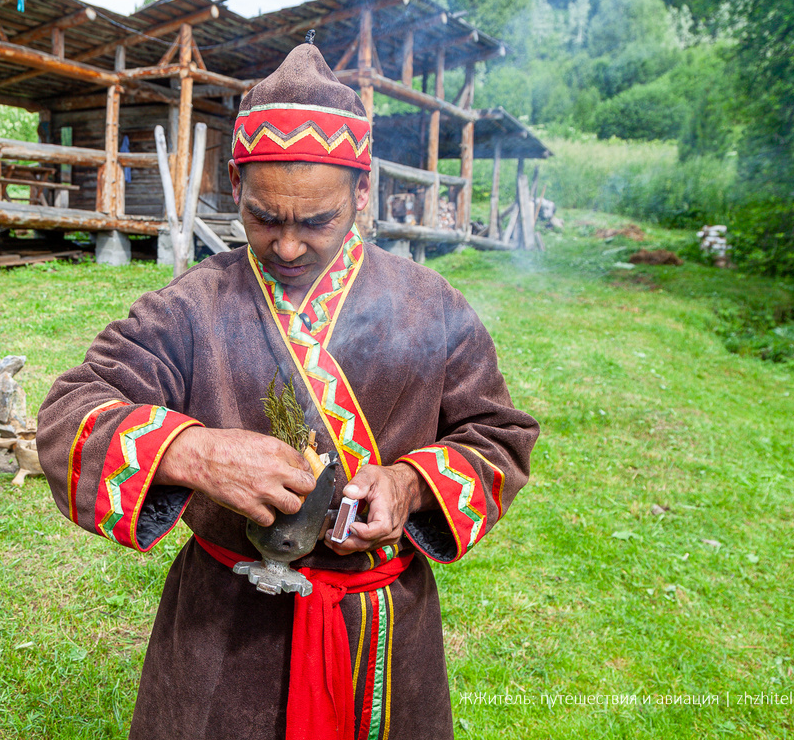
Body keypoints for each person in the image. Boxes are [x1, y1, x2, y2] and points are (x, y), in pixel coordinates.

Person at [37, 38, 539, 740]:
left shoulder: (433, 306)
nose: (290, 246)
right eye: (266, 218)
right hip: (222, 641)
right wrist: (192, 451)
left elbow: (498, 438)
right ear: (236, 186)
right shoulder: (190, 308)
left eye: (317, 221)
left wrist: (410, 484)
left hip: (384, 642)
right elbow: (70, 415)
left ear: (361, 193)